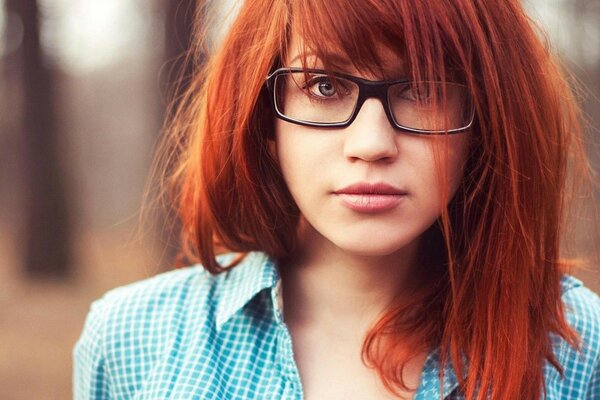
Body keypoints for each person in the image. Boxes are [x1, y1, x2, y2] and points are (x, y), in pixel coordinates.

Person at [73, 0, 600, 399]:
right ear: (263, 117)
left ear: (485, 123)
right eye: (323, 86)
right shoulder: (132, 340)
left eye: (423, 90)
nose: (370, 144)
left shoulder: (579, 347)